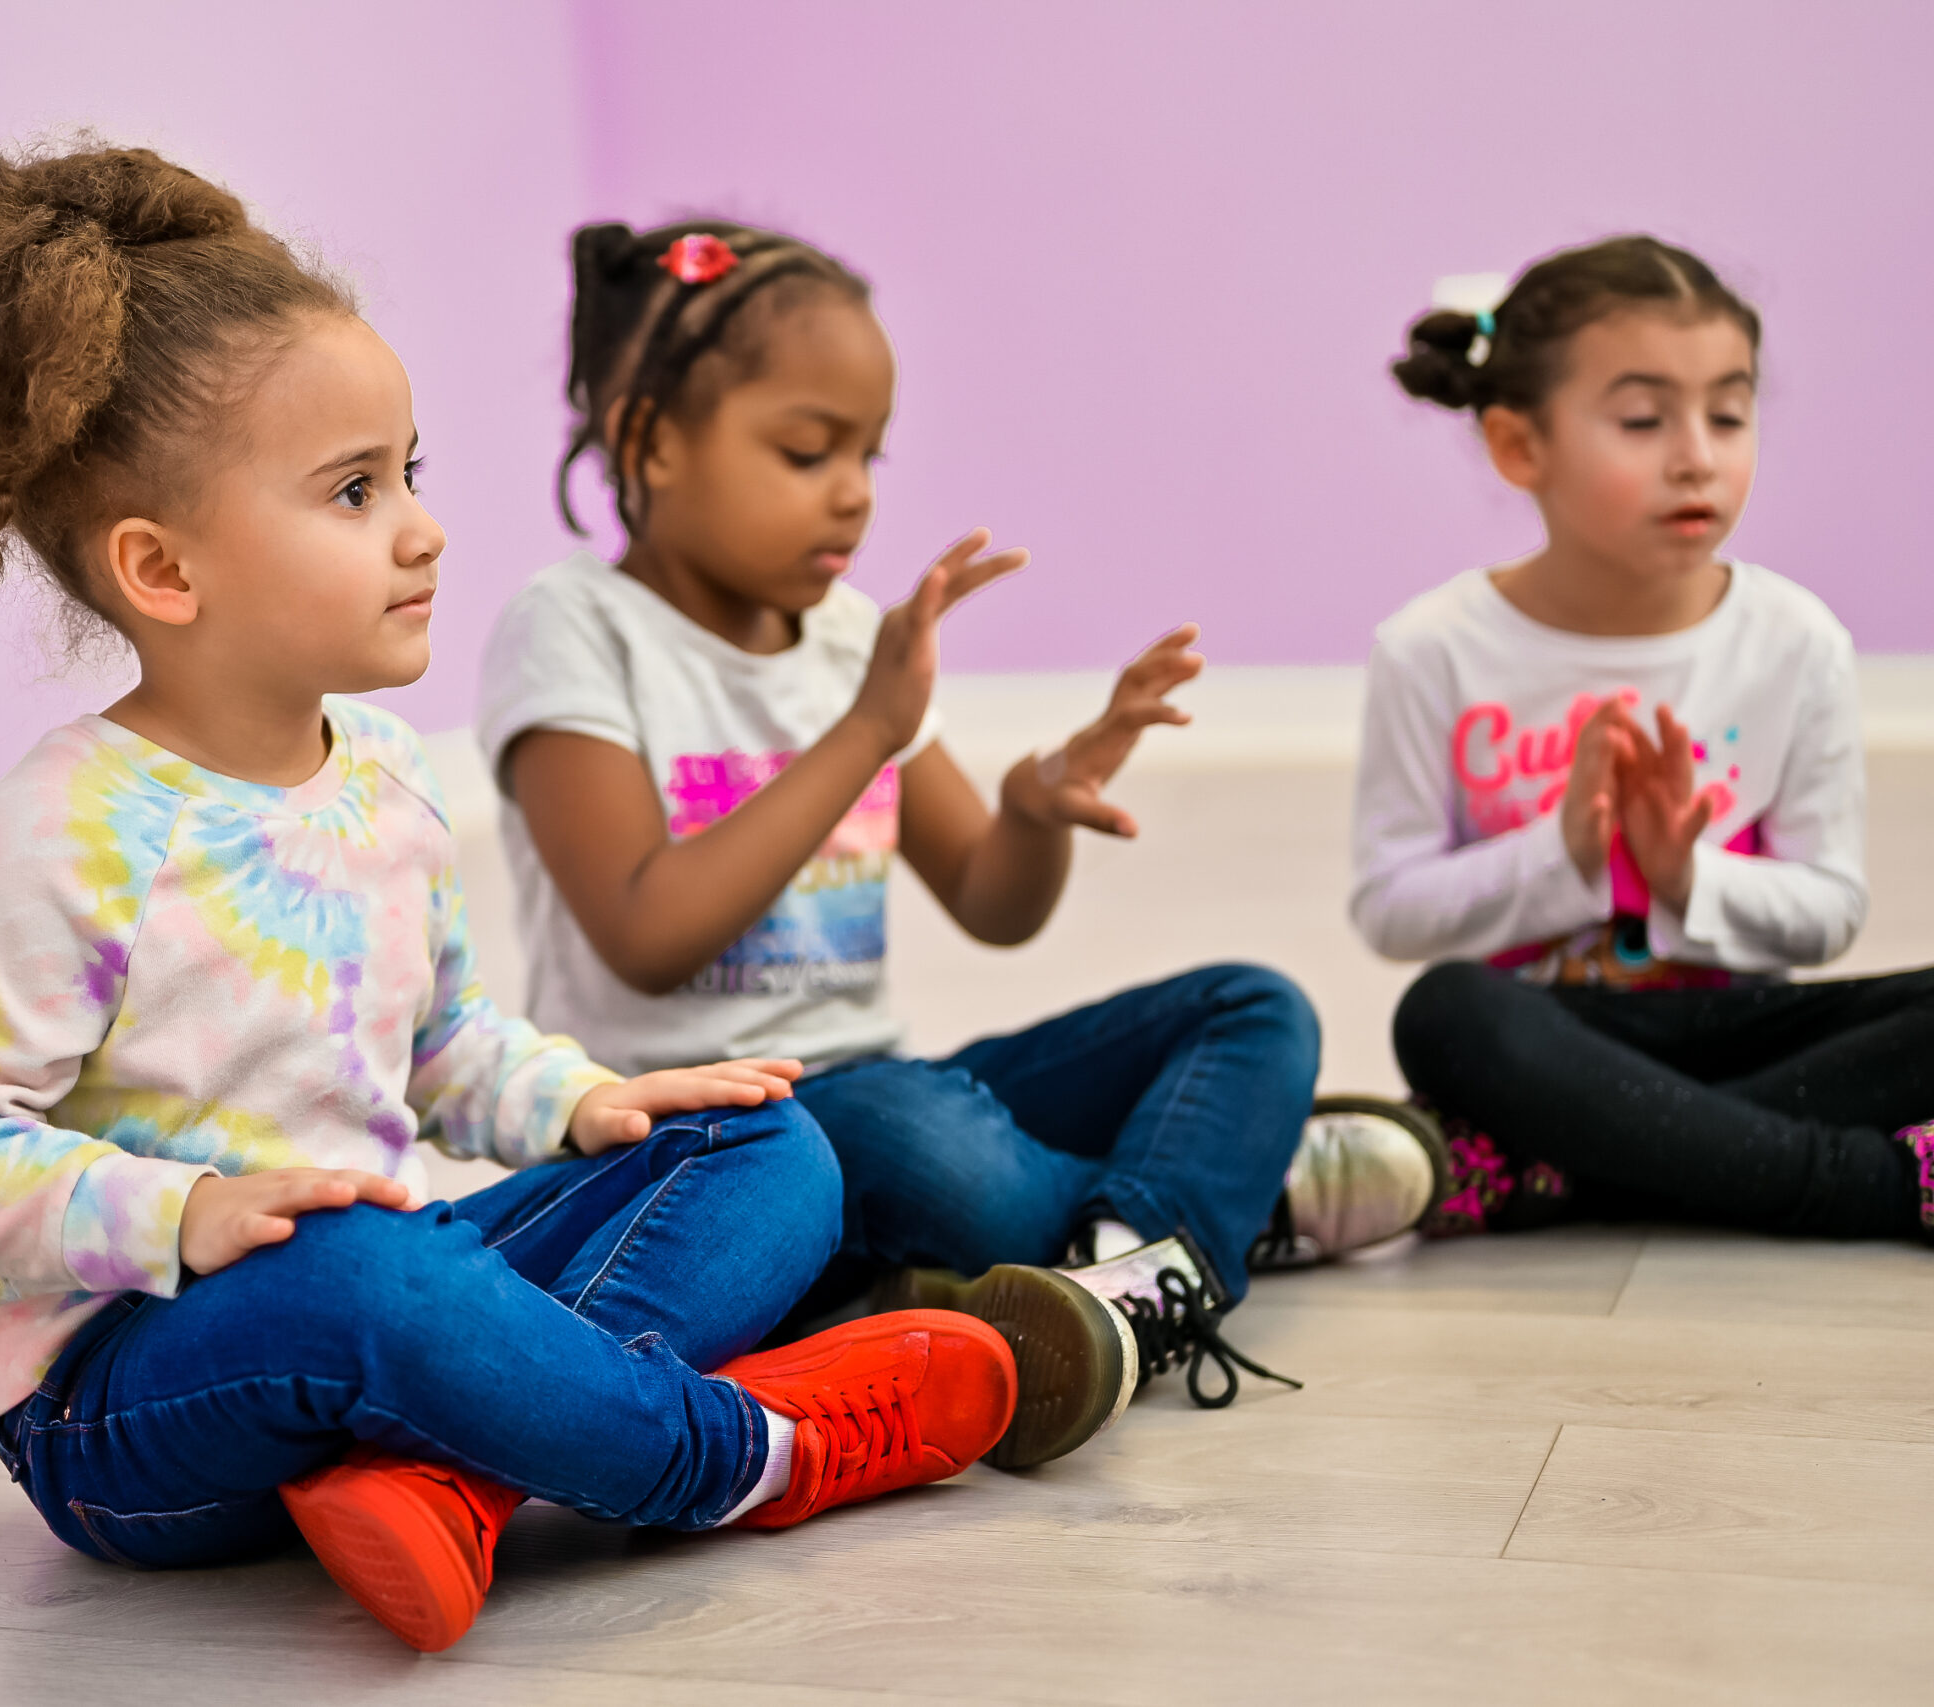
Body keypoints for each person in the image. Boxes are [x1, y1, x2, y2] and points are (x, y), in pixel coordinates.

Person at [0, 147, 1026, 1655]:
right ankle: (747, 1452)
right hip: (134, 1394)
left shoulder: (380, 774)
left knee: (773, 1137)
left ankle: (458, 1476)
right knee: (358, 1276)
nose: (424, 526)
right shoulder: (60, 829)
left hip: (391, 1289)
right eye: (353, 490)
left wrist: (591, 1105)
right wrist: (186, 1213)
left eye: (412, 472)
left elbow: (444, 1042)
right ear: (162, 567)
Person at [478, 220, 1444, 1441]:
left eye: (870, 455)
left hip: (902, 1088)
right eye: (805, 449)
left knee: (1250, 1009)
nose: (852, 494)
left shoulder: (842, 640)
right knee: (894, 1130)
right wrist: (865, 731)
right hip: (722, 1142)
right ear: (650, 437)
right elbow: (644, 930)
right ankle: (1214, 1206)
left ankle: (1120, 1262)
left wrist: (1035, 809)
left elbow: (993, 899)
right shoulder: (573, 628)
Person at [1358, 233, 1934, 1243]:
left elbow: (1829, 909)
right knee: (1442, 1013)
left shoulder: (1795, 642)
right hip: (1548, 1036)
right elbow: (1392, 912)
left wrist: (1683, 879)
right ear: (1516, 446)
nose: (1696, 456)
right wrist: (1566, 856)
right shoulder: (1431, 649)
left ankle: (1549, 1166)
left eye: (1728, 411)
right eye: (1640, 419)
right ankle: (1862, 1185)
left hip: (1735, 1037)